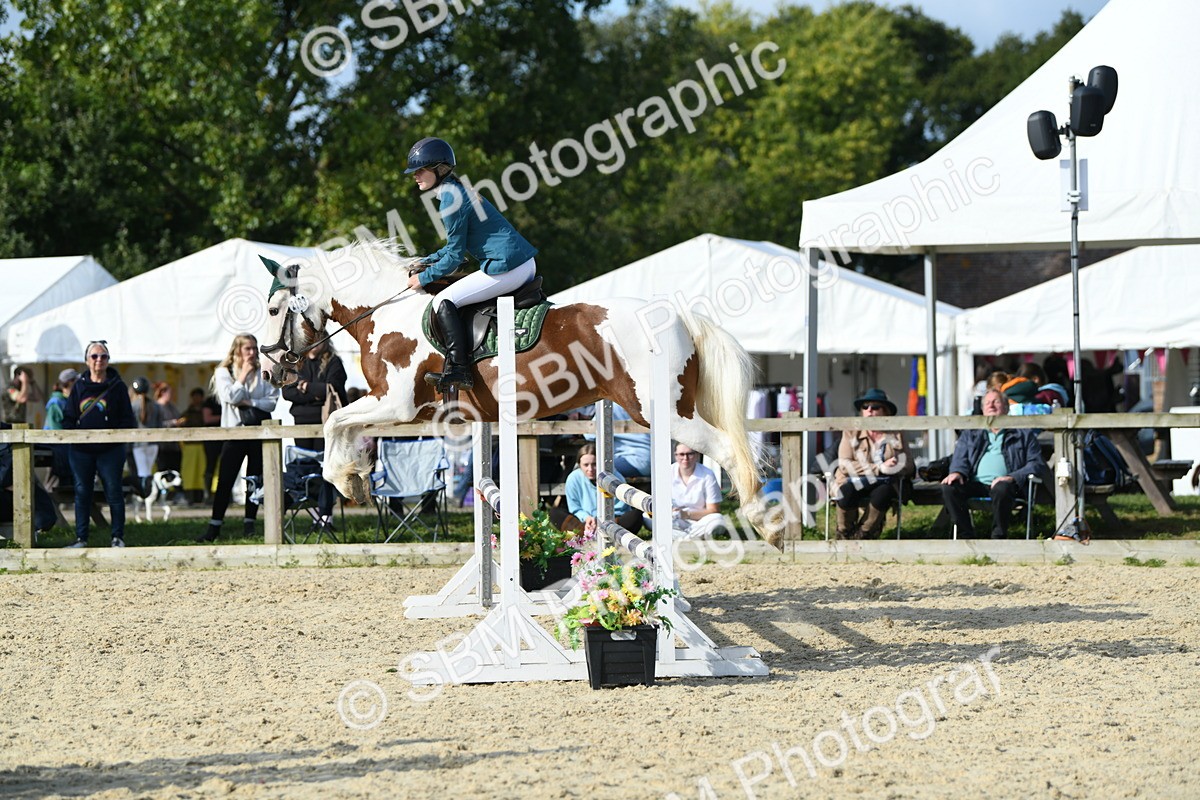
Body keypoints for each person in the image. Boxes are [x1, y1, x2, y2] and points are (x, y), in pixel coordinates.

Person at [404, 137, 538, 392]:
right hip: (520, 263)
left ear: (438, 169)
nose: (415, 176)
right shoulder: (455, 191)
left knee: (443, 301)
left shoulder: (450, 200)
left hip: (509, 267)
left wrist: (422, 278)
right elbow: (454, 248)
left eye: (420, 170)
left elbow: (455, 257)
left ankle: (459, 369)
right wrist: (425, 261)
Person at [940, 389, 1049, 539]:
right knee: (949, 488)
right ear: (982, 409)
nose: (991, 405)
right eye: (987, 403)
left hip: (1009, 486)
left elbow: (1036, 464)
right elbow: (959, 459)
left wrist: (1011, 477)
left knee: (1002, 488)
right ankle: (965, 536)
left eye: (996, 401)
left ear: (1006, 408)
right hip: (975, 483)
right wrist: (957, 472)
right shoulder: (971, 433)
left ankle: (998, 537)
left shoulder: (1023, 434)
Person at [202, 334, 279, 542]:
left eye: (255, 348)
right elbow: (229, 397)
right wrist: (243, 376)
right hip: (234, 433)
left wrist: (250, 402)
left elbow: (271, 402)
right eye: (248, 349)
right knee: (225, 479)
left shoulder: (265, 371)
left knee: (254, 480)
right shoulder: (223, 372)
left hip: (257, 431)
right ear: (237, 350)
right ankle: (214, 526)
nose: (252, 353)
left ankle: (249, 524)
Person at [62, 341, 137, 548]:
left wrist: (114, 435)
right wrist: (73, 436)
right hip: (81, 450)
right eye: (94, 356)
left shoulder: (118, 386)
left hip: (110, 450)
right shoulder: (78, 386)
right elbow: (68, 417)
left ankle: (117, 537)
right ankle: (81, 538)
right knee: (82, 492)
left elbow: (127, 418)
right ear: (87, 361)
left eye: (103, 356)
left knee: (113, 491)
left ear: (108, 360)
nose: (98, 360)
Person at [281, 340, 348, 533]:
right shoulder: (296, 363)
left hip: (326, 423)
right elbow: (288, 392)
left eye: (319, 338)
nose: (315, 344)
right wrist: (316, 391)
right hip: (301, 423)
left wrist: (305, 387)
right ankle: (314, 515)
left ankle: (326, 516)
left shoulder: (334, 362)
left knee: (326, 469)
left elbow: (334, 389)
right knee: (305, 468)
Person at [831, 389, 914, 539]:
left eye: (875, 407)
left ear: (885, 411)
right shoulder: (851, 432)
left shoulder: (896, 433)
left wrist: (895, 466)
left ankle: (864, 534)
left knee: (884, 493)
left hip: (885, 482)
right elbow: (844, 464)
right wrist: (879, 467)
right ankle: (844, 533)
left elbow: (909, 465)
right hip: (854, 479)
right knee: (846, 491)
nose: (869, 410)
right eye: (865, 407)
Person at [549, 443, 644, 535]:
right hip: (585, 520)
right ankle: (588, 531)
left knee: (636, 515)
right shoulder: (573, 478)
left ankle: (586, 533)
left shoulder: (615, 477)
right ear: (579, 464)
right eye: (586, 465)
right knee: (554, 513)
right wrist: (587, 518)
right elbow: (575, 508)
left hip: (612, 519)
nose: (590, 469)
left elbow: (621, 507)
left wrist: (601, 520)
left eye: (594, 464)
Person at [668, 443, 729, 540]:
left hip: (700, 520)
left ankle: (681, 537)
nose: (685, 458)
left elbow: (714, 510)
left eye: (690, 454)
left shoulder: (708, 474)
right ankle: (692, 537)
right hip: (675, 519)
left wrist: (686, 514)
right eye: (681, 454)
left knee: (718, 519)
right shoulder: (667, 472)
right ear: (675, 455)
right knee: (647, 517)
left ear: (697, 455)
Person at [44, 368, 79, 490]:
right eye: (76, 381)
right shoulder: (56, 402)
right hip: (56, 447)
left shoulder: (67, 400)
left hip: (66, 447)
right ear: (69, 382)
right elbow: (55, 429)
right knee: (53, 482)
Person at [127, 376, 163, 498]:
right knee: (148, 470)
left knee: (142, 472)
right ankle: (148, 494)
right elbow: (160, 425)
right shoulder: (156, 406)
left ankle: (144, 495)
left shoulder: (132, 406)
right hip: (153, 444)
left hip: (138, 444)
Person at [179, 388, 210, 505]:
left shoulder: (205, 410)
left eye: (199, 396)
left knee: (201, 472)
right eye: (194, 396)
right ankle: (189, 497)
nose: (197, 399)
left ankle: (202, 496)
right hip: (190, 446)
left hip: (202, 445)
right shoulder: (187, 413)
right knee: (189, 473)